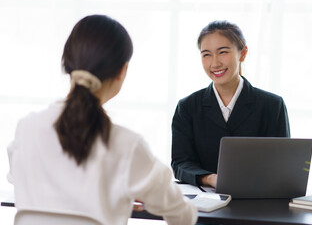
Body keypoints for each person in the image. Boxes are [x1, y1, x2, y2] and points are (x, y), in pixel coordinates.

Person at [7, 15, 197, 225]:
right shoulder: (127, 145)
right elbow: (182, 216)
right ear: (122, 71)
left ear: (66, 63)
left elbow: (21, 181)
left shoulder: (26, 129)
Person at [171, 20, 290, 188]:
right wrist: (210, 179)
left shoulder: (272, 105)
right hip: (205, 203)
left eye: (223, 52)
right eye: (206, 54)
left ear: (242, 53)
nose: (215, 63)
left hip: (259, 203)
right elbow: (180, 163)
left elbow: (282, 164)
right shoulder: (187, 107)